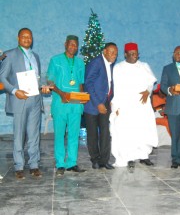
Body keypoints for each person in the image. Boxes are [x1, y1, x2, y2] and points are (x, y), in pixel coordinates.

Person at [0, 28, 44, 179]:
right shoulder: (9, 55)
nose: (27, 39)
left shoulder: (35, 56)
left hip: (35, 100)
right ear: (18, 38)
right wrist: (14, 91)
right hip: (20, 99)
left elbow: (37, 77)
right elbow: (2, 78)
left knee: (34, 134)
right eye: (24, 36)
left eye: (29, 37)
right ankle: (19, 166)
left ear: (32, 39)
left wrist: (43, 86)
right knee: (19, 134)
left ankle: (34, 165)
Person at [110, 42, 158, 169]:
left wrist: (148, 91)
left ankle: (144, 156)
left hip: (142, 105)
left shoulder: (144, 66)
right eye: (131, 54)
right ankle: (129, 157)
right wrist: (116, 107)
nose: (133, 56)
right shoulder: (119, 67)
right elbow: (117, 89)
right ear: (125, 54)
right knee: (129, 131)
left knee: (143, 130)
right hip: (127, 105)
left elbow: (151, 82)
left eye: (135, 54)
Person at [47, 35, 86, 176]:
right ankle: (60, 164)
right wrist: (61, 93)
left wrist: (82, 98)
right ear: (65, 44)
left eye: (75, 45)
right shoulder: (55, 60)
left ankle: (72, 163)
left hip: (75, 105)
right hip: (60, 103)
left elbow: (81, 82)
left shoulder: (80, 63)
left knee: (74, 135)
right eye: (71, 44)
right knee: (59, 134)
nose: (73, 47)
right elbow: (50, 81)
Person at [84, 42, 118, 169]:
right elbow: (88, 83)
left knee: (105, 132)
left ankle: (104, 160)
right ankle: (95, 160)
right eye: (111, 52)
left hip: (106, 103)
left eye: (115, 53)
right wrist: (98, 103)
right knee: (92, 134)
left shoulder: (112, 65)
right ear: (104, 51)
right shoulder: (96, 62)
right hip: (93, 104)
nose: (114, 55)